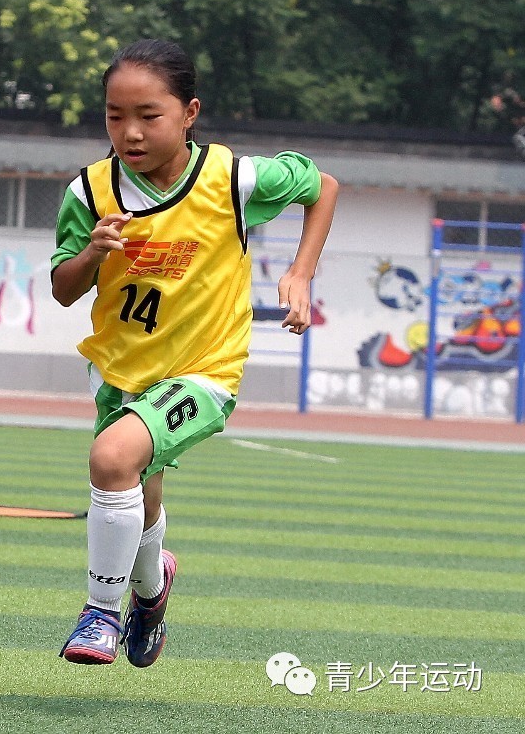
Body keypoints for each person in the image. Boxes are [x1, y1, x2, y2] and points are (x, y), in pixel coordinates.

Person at [50, 39, 337, 667]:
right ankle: (152, 592)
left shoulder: (232, 178)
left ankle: (100, 612)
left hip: (205, 374)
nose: (130, 132)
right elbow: (63, 288)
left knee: (111, 458)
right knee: (139, 497)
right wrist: (92, 252)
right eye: (114, 116)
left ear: (189, 113)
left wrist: (300, 272)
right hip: (122, 375)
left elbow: (323, 186)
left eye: (148, 116)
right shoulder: (90, 191)